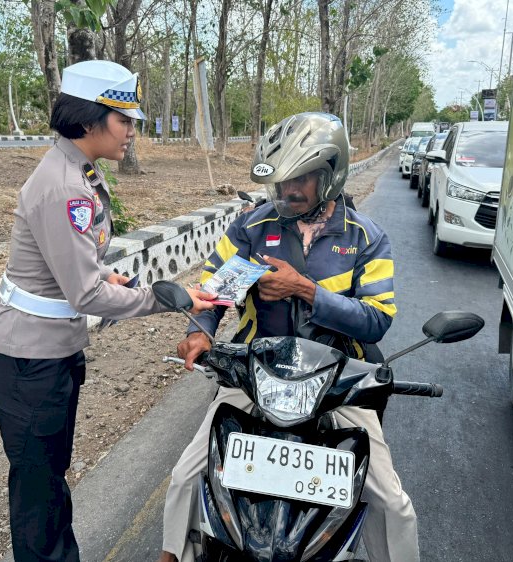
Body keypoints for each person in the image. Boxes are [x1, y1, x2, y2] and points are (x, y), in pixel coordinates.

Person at [0, 60, 215, 562]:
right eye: (123, 119)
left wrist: (108, 274)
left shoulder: (80, 170)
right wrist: (169, 300)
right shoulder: (64, 186)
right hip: (26, 361)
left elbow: (77, 262)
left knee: (49, 477)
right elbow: (84, 296)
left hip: (46, 351)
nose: (132, 130)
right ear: (88, 121)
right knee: (38, 495)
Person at [158, 112, 419, 562]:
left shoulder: (366, 240)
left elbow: (377, 320)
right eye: (281, 182)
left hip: (336, 385)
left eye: (301, 180)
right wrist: (198, 332)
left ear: (331, 176)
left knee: (390, 502)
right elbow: (214, 291)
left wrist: (305, 289)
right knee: (185, 477)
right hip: (256, 377)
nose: (288, 191)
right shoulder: (251, 228)